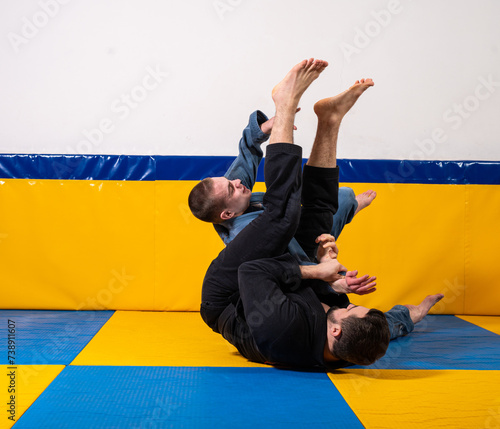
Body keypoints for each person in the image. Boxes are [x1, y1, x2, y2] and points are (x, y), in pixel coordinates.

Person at [199, 58, 443, 368]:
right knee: (320, 218)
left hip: (231, 291)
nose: (351, 302)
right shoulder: (353, 344)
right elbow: (388, 326)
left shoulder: (282, 329)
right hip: (283, 286)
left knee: (280, 218)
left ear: (336, 329)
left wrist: (316, 271)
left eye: (351, 307)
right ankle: (330, 119)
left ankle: (285, 103)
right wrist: (416, 312)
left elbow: (255, 271)